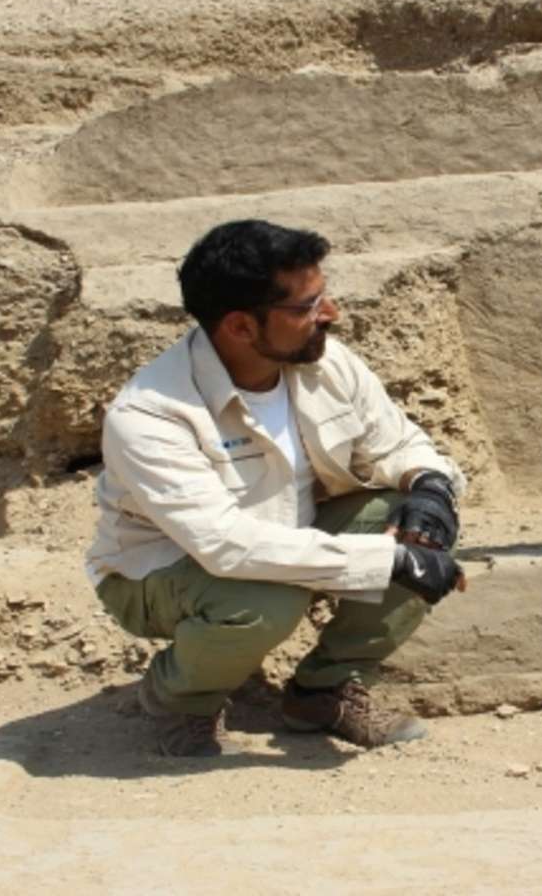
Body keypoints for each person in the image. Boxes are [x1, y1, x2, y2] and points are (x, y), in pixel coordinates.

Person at [84, 219, 468, 758]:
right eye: (308, 306)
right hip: (159, 574)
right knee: (265, 598)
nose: (329, 314)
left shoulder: (324, 362)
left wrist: (429, 487)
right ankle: (180, 698)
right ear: (241, 327)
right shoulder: (150, 415)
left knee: (416, 526)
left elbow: (397, 443)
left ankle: (322, 692)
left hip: (291, 535)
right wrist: (388, 561)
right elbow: (225, 545)